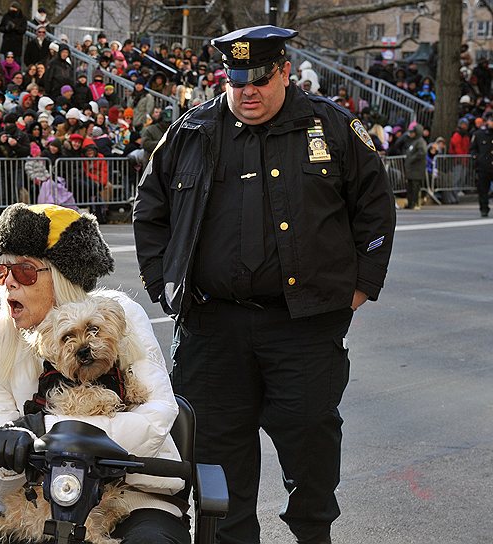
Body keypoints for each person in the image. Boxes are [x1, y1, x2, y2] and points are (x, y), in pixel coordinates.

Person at [133, 26, 396, 544]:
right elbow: (151, 212)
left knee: (309, 443)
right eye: (236, 83)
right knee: (216, 457)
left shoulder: (333, 128)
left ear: (283, 72)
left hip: (303, 325)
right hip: (212, 327)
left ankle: (312, 534)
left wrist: (362, 285)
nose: (246, 93)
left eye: (257, 81)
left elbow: (375, 209)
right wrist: (165, 285)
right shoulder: (193, 130)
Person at [0, 203, 190, 544]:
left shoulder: (119, 313)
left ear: (61, 276)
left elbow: (156, 418)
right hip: (34, 502)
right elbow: (0, 474)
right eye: (1, 271)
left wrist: (41, 429)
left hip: (133, 496)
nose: (9, 282)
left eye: (24, 270)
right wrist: (4, 455)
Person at [404, 124, 427, 209]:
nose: (411, 134)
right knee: (410, 187)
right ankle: (410, 203)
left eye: (413, 132)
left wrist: (412, 159)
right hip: (411, 170)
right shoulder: (414, 141)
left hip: (417, 169)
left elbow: (422, 152)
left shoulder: (420, 141)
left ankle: (414, 203)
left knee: (415, 188)